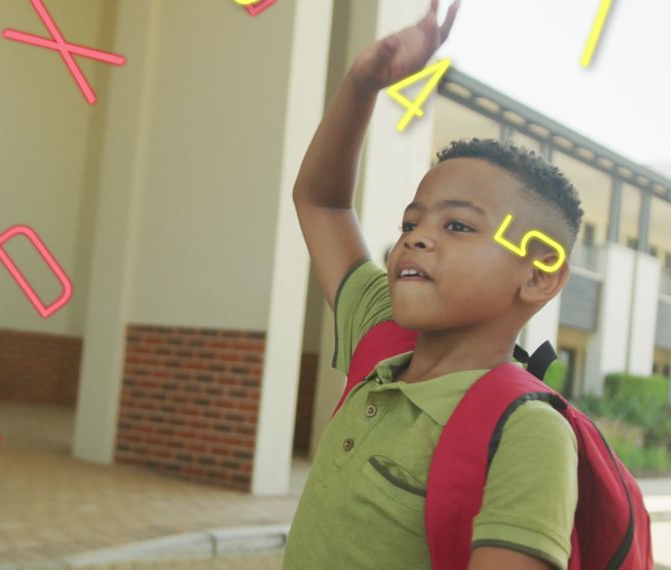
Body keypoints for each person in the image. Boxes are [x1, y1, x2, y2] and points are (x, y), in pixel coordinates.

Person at [284, 1, 584, 568]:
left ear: (540, 273)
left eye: (458, 225)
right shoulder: (381, 334)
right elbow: (320, 202)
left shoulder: (528, 433)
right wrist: (362, 84)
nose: (416, 239)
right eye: (410, 223)